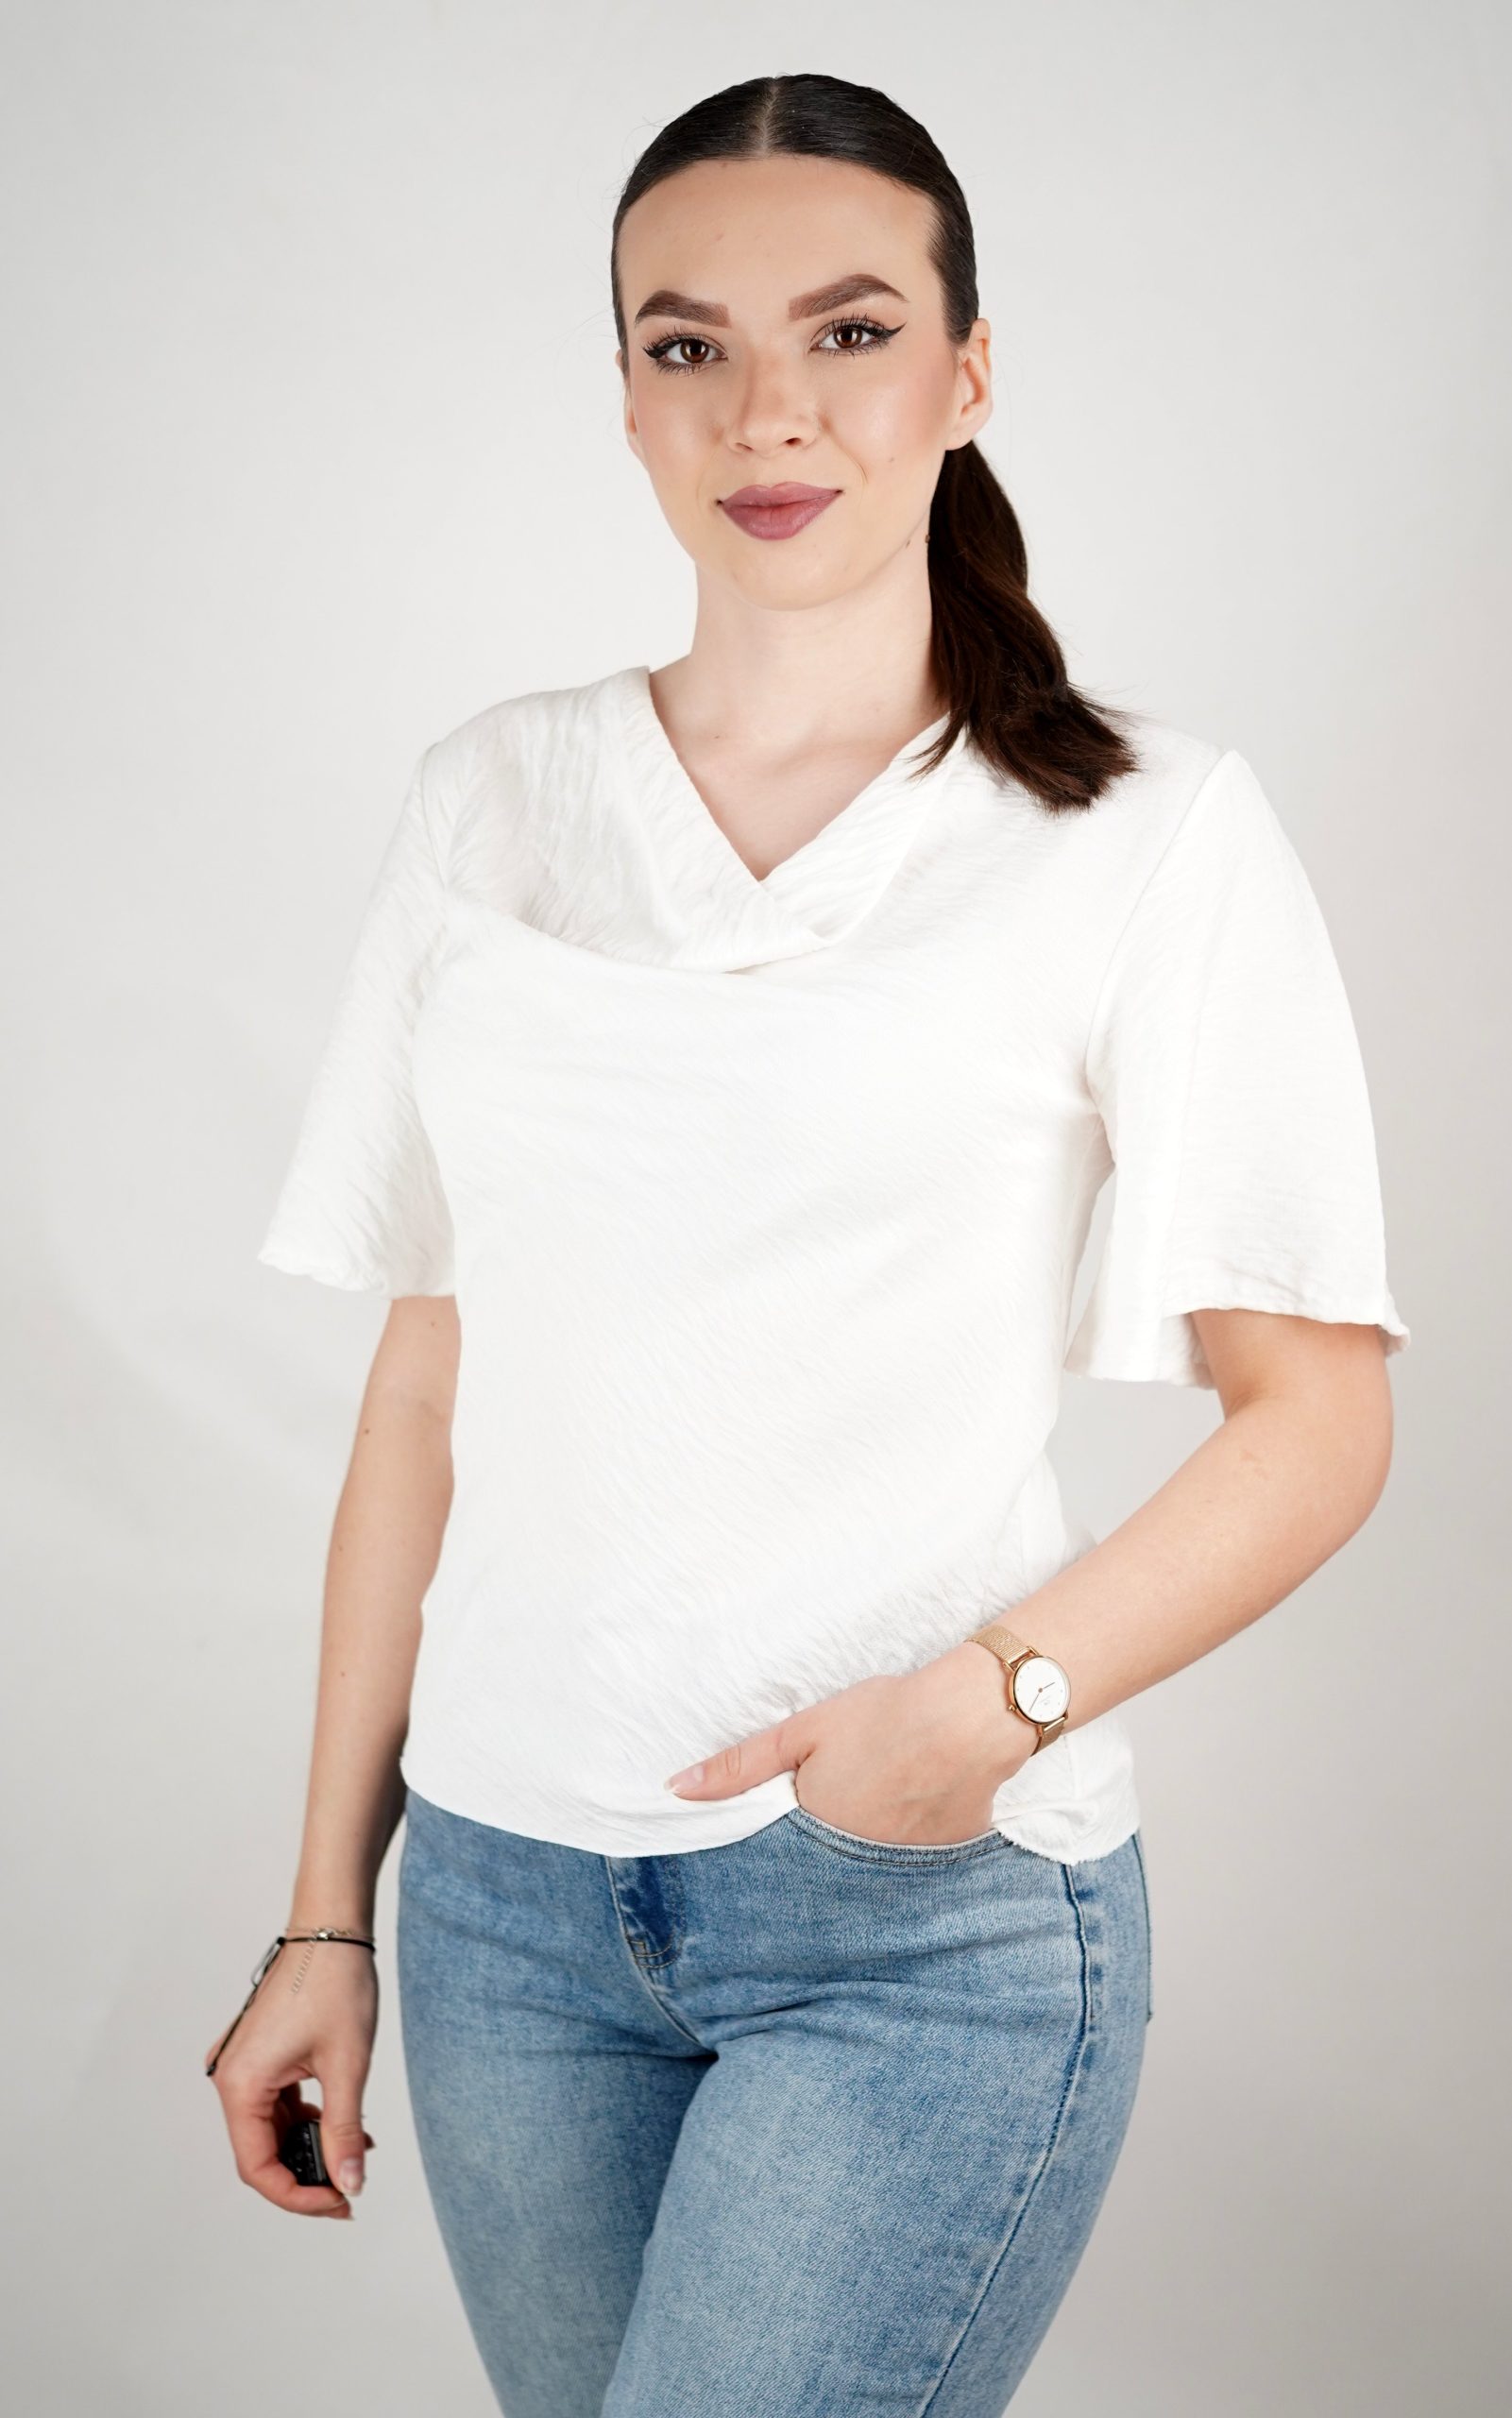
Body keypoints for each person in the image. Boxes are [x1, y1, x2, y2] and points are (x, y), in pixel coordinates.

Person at [206, 70, 1409, 2418]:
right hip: (506, 1911)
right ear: (626, 394)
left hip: (916, 1917)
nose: (769, 408)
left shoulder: (1145, 834)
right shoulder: (492, 799)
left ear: (967, 373)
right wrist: (331, 1910)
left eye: (850, 331)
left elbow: (1318, 1416)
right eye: (691, 344)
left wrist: (982, 1713)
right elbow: (430, 1383)